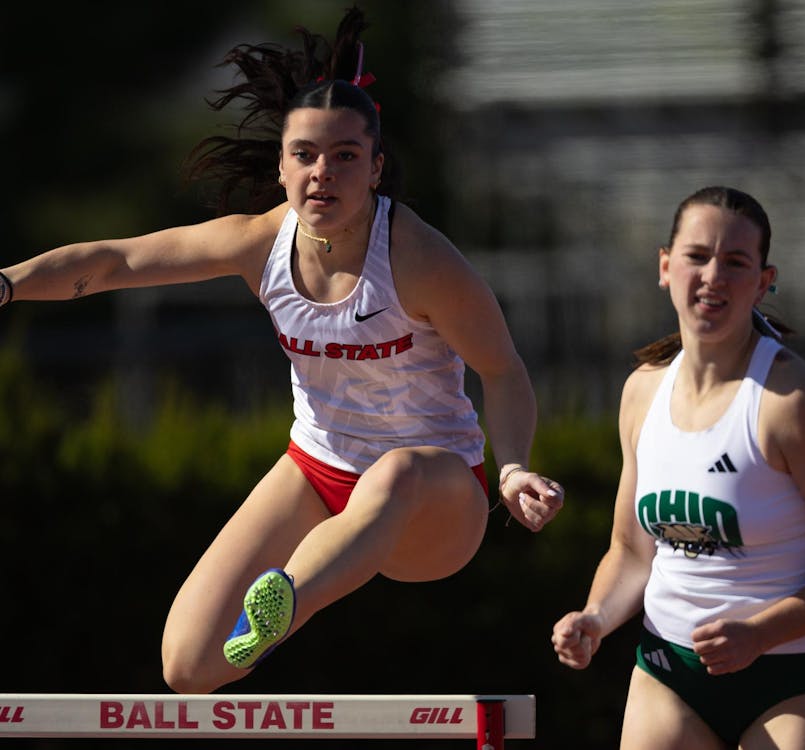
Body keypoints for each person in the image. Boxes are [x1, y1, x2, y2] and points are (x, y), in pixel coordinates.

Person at [0, 6, 563, 694]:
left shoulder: (419, 260)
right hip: (319, 469)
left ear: (377, 168)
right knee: (189, 665)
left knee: (393, 477)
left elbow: (502, 370)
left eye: (345, 157)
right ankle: (292, 594)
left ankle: (290, 594)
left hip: (435, 499)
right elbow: (117, 261)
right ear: (282, 165)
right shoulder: (256, 242)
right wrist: (7, 284)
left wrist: (512, 472)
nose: (322, 174)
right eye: (305, 156)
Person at [551, 186, 805, 750]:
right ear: (666, 267)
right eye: (697, 256)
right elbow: (631, 551)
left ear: (764, 282)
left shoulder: (795, 401)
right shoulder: (642, 393)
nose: (713, 275)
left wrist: (759, 635)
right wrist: (595, 618)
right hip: (670, 670)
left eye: (735, 261)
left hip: (793, 677)